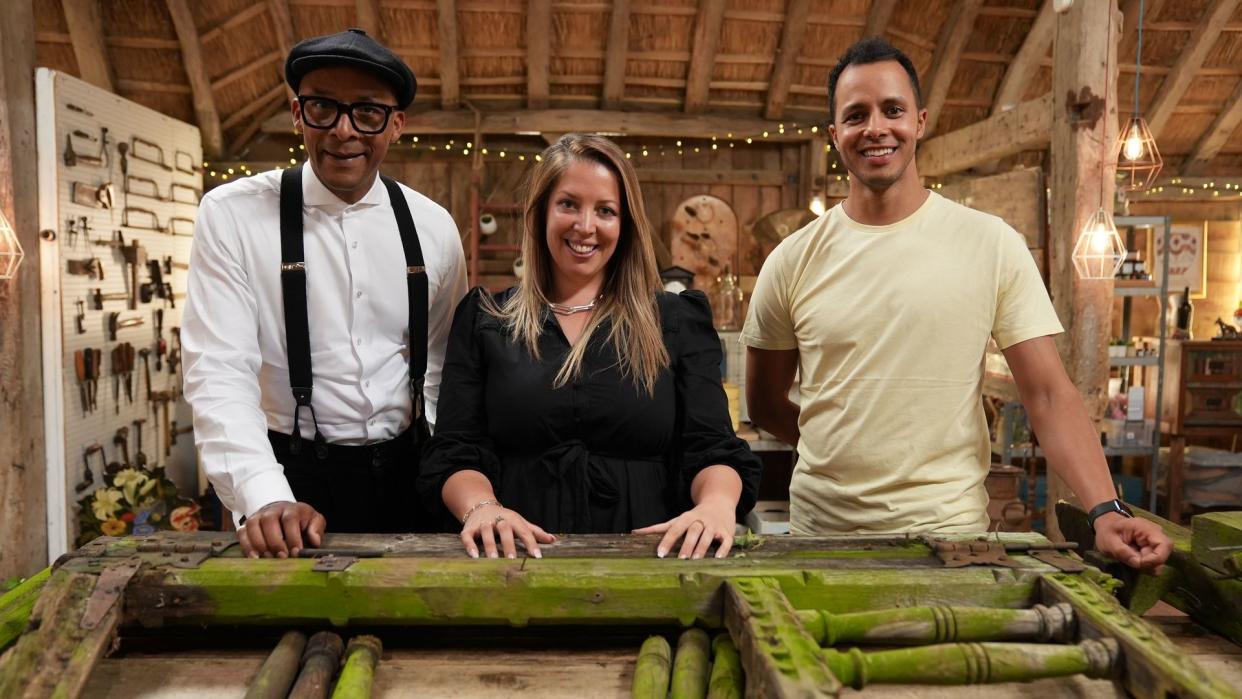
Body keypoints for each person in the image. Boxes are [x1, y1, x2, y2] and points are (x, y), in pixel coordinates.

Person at [742, 37, 1171, 573]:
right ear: (835, 135)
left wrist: (1106, 510)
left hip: (949, 542)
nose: (876, 127)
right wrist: (848, 442)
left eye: (892, 110)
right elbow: (762, 403)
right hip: (823, 539)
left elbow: (1048, 395)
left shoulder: (990, 244)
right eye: (856, 115)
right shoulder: (792, 259)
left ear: (919, 121)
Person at [183, 28, 467, 558]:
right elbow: (219, 368)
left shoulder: (434, 227)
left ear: (396, 124)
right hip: (288, 480)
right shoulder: (231, 215)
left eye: (367, 112)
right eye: (322, 108)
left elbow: (443, 365)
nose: (343, 131)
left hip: (411, 474)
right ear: (297, 112)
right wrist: (263, 494)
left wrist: (448, 472)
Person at [418, 134, 761, 560]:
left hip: (649, 561)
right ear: (541, 212)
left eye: (605, 211)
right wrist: (482, 508)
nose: (586, 225)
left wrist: (716, 504)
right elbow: (455, 449)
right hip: (514, 560)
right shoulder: (486, 318)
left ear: (625, 224)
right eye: (568, 204)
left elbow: (712, 446)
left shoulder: (675, 321)